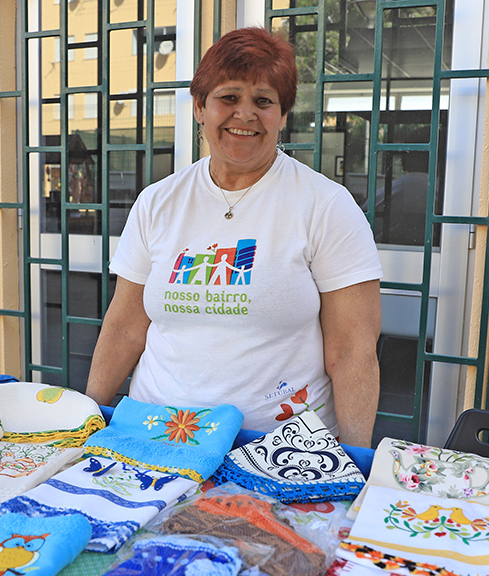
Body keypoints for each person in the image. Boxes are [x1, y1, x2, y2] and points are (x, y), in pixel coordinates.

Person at [85, 28, 383, 448]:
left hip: (279, 450)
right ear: (199, 107)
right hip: (156, 437)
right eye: (228, 97)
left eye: (263, 101)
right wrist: (84, 425)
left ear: (283, 115)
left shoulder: (326, 206)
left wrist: (354, 461)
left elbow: (352, 350)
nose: (245, 114)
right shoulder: (157, 202)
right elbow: (124, 329)